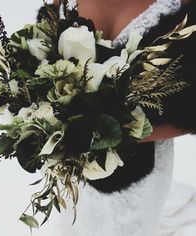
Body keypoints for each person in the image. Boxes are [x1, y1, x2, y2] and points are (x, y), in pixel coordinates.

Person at [38, 0, 196, 235]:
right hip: (71, 165)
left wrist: (119, 134)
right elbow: (41, 59)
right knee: (77, 223)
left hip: (142, 169)